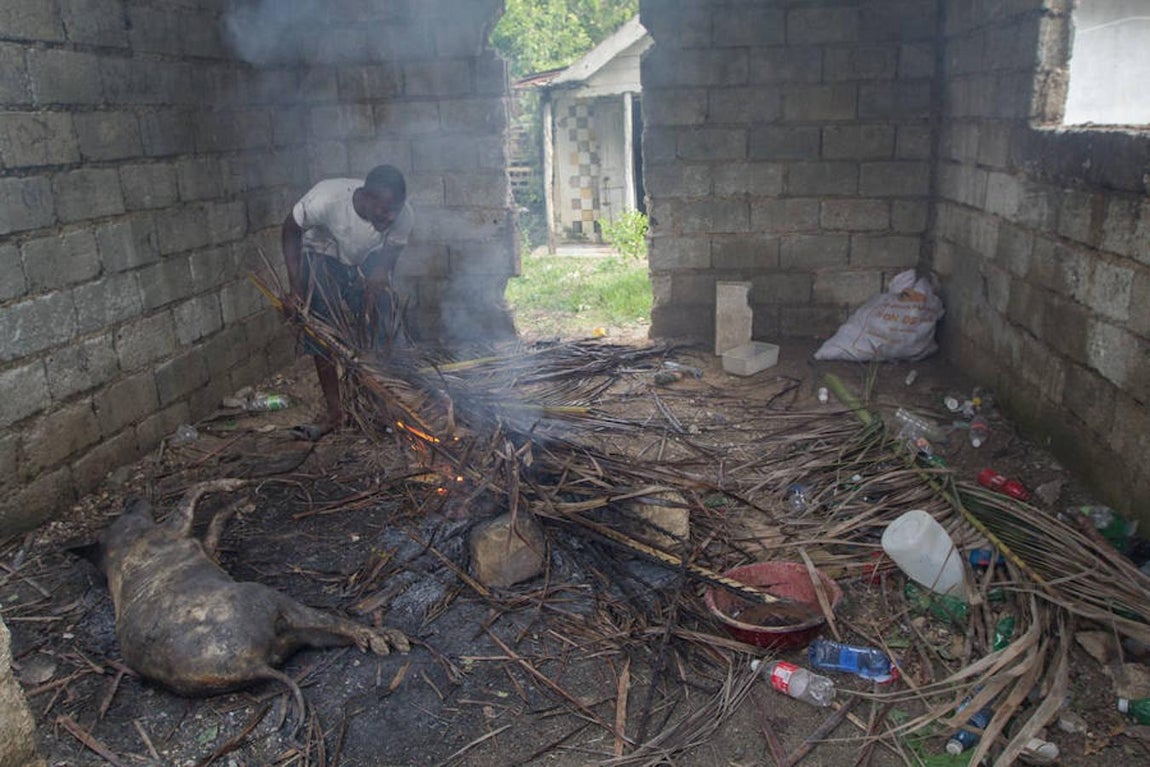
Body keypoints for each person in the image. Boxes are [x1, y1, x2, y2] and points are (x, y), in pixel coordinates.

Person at [281, 164, 415, 438]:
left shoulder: (402, 214)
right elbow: (290, 229)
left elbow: (393, 248)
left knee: (385, 323)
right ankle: (335, 413)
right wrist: (295, 287)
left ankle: (388, 405)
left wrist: (380, 273)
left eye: (395, 211)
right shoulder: (326, 199)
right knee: (321, 333)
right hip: (322, 254)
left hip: (365, 257)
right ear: (365, 196)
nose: (390, 217)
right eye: (384, 210)